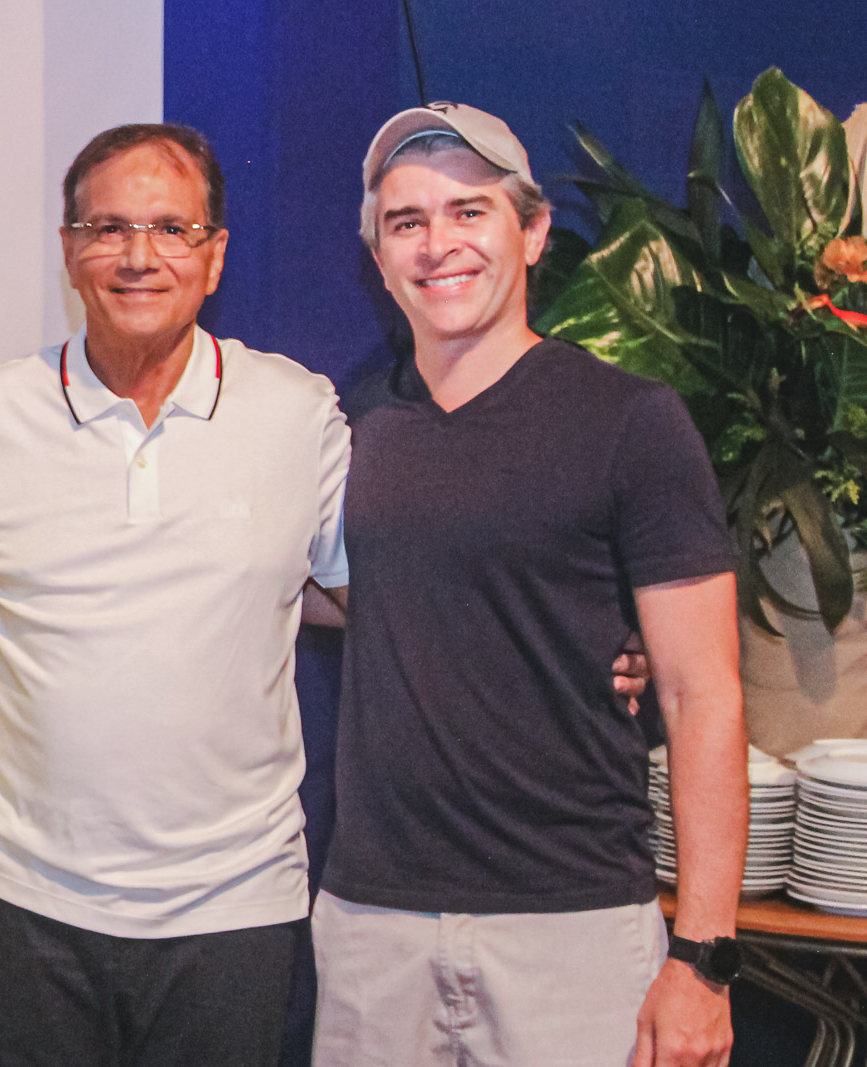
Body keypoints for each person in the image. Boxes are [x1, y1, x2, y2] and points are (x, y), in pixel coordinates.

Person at [313, 103, 748, 1067]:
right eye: (407, 221)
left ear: (535, 231)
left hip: (574, 930)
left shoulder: (632, 422)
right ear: (377, 256)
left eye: (470, 211)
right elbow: (320, 591)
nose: (438, 244)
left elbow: (704, 693)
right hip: (373, 927)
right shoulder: (347, 427)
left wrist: (703, 959)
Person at [0, 123, 353, 1066]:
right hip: (25, 902)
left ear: (215, 254)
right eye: (108, 227)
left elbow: (381, 602)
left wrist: (589, 642)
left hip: (236, 904)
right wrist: (45, 667)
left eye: (171, 229)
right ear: (70, 249)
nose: (139, 256)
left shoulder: (298, 414)